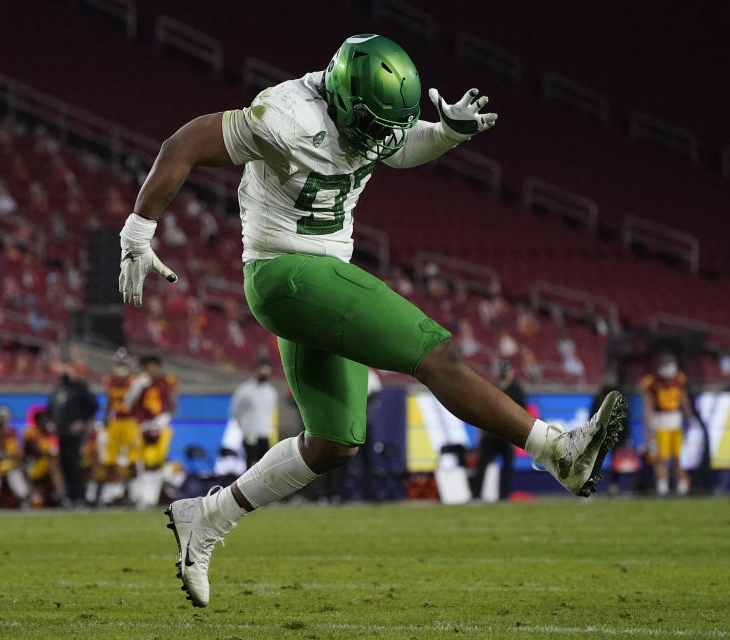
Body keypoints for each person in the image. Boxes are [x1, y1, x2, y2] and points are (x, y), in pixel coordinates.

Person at [117, 34, 627, 607]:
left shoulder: (366, 114)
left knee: (334, 443)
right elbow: (182, 142)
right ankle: (558, 450)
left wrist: (446, 134)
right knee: (435, 353)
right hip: (285, 274)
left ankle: (206, 518)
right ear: (339, 97)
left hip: (321, 279)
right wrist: (138, 231)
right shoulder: (284, 117)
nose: (377, 139)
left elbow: (401, 145)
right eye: (369, 124)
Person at [123, 355, 177, 508]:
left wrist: (166, 417)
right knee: (141, 462)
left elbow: (173, 403)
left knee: (157, 462)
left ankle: (151, 497)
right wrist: (136, 387)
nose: (150, 371)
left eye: (152, 367)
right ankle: (142, 497)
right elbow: (128, 403)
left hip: (160, 425)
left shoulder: (167, 381)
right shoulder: (138, 382)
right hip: (142, 426)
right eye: (147, 368)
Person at [640, 353, 694, 496]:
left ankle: (682, 485)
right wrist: (647, 427)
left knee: (678, 456)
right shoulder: (652, 382)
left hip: (675, 422)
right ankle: (662, 486)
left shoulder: (679, 380)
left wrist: (689, 418)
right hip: (660, 422)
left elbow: (684, 399)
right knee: (661, 458)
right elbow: (648, 406)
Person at [469, 360, 523, 500]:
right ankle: (476, 495)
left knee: (507, 468)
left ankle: (504, 496)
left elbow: (522, 413)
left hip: (508, 435)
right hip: (491, 433)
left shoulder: (517, 390)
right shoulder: (492, 387)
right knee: (482, 466)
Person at [48, 365, 99, 506]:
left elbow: (93, 406)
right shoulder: (59, 388)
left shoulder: (80, 388)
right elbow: (51, 407)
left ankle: (79, 496)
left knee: (75, 464)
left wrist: (81, 420)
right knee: (65, 465)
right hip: (61, 432)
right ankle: (69, 496)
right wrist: (51, 421)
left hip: (75, 433)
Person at [100, 352, 139, 504]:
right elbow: (109, 400)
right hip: (115, 421)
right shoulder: (109, 379)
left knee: (133, 459)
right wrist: (105, 416)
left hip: (131, 421)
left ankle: (132, 492)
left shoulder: (135, 380)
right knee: (112, 459)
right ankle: (114, 492)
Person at [231, 361, 278, 468]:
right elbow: (236, 410)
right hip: (250, 433)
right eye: (263, 369)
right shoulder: (245, 390)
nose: (265, 373)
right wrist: (244, 428)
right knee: (249, 464)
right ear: (257, 370)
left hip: (264, 434)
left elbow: (270, 411)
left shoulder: (271, 392)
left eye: (267, 370)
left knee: (264, 466)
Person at [0, 405, 30, 506]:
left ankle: (23, 497)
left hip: (8, 464)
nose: (2, 420)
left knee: (14, 470)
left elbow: (17, 452)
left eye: (4, 417)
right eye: (0, 417)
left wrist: (17, 460)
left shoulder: (13, 432)